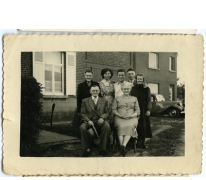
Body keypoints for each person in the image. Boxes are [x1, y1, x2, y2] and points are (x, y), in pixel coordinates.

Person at [79, 85, 111, 157]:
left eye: (96, 90)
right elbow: (82, 113)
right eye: (93, 90)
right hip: (89, 121)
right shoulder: (85, 100)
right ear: (90, 91)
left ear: (99, 91)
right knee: (82, 127)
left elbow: (107, 112)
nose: (95, 92)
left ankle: (103, 149)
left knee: (107, 126)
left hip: (100, 120)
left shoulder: (104, 101)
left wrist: (102, 118)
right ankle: (86, 149)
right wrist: (88, 120)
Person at [112, 83, 140, 156]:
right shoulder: (117, 98)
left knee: (130, 125)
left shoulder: (134, 98)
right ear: (122, 89)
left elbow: (137, 111)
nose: (126, 90)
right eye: (124, 89)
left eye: (127, 89)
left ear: (130, 90)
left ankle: (123, 146)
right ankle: (122, 146)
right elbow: (114, 110)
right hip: (119, 117)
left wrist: (131, 116)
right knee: (121, 126)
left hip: (132, 118)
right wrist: (120, 115)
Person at [130, 73, 152, 149]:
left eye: (141, 79)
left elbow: (149, 99)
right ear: (136, 79)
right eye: (138, 79)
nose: (139, 80)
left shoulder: (146, 88)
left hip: (144, 108)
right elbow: (131, 99)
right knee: (137, 126)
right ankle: (137, 142)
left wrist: (148, 109)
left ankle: (143, 142)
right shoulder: (133, 88)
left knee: (144, 126)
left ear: (143, 80)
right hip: (135, 108)